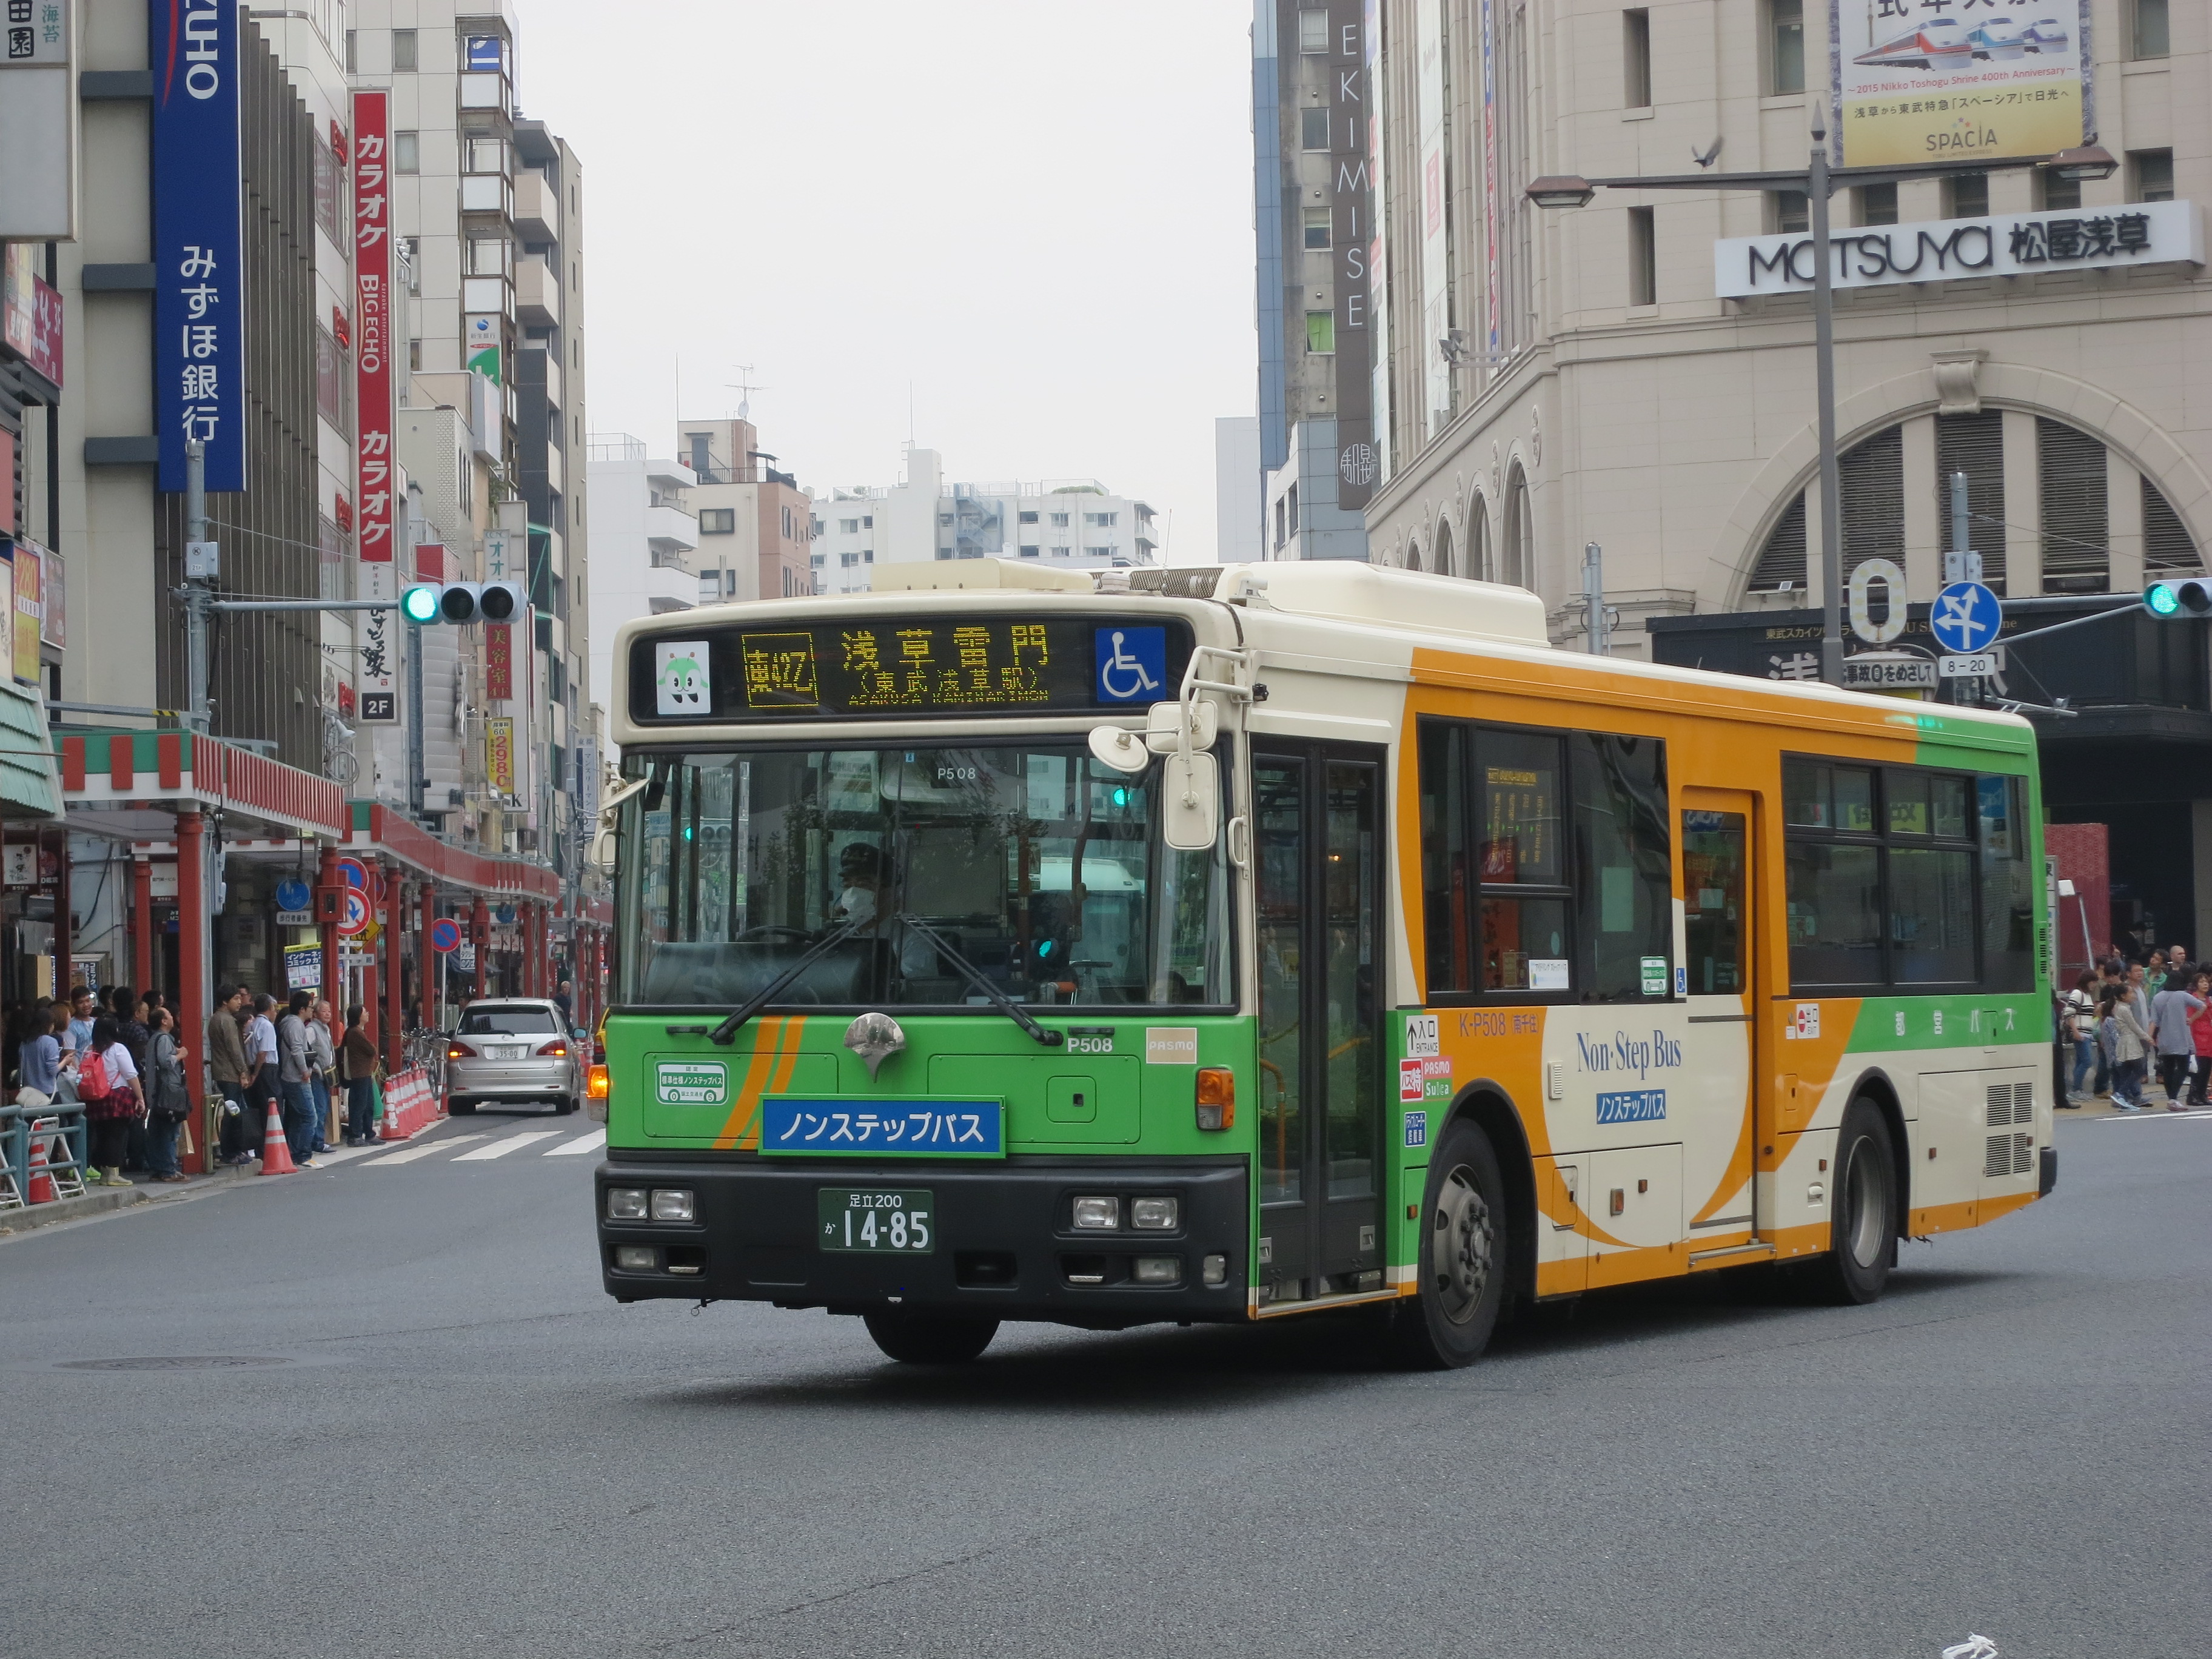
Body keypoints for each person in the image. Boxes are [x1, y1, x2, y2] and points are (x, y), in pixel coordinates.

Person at [76, 1015, 145, 1188]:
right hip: (117, 1095)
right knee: (117, 1135)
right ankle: (113, 1173)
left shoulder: (89, 1049)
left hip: (95, 1097)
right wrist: (140, 1097)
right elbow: (131, 1074)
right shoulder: (117, 1049)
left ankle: (104, 1173)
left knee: (102, 1135)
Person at [206, 985, 255, 1165]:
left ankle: (234, 1150)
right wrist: (243, 1071)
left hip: (224, 1071)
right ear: (225, 1001)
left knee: (232, 1112)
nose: (240, 1002)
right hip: (229, 1073)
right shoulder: (226, 1020)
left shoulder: (217, 1019)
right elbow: (234, 1049)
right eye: (235, 998)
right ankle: (231, 1151)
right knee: (233, 1114)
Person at [144, 1005, 191, 1182]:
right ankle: (168, 1169)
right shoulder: (163, 1039)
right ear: (164, 1021)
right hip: (167, 1091)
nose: (172, 1017)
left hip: (156, 1090)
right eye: (170, 1014)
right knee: (169, 1132)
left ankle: (159, 1167)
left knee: (157, 1131)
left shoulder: (154, 1039)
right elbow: (166, 1062)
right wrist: (181, 1055)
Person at [2150, 967, 2207, 1111]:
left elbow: (2154, 1021)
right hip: (2181, 1037)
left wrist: (2149, 1037)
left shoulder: (2158, 997)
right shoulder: (2183, 995)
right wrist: (2191, 1019)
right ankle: (2174, 1098)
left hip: (2164, 1039)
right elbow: (2202, 1006)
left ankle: (2171, 1099)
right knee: (2182, 1068)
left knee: (2168, 1069)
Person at [276, 990, 318, 1167]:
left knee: (297, 1117)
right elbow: (296, 1050)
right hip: (296, 1077)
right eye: (310, 1007)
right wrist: (304, 1070)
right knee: (310, 1116)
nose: (312, 1011)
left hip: (289, 1075)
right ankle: (303, 1153)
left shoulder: (287, 1023)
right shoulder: (295, 1025)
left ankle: (294, 1152)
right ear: (302, 1009)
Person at [2102, 987, 2150, 1111]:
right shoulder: (2124, 1009)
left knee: (2127, 1071)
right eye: (2131, 993)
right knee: (2139, 1068)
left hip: (2125, 1040)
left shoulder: (2118, 1007)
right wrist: (2146, 1037)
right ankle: (2120, 1094)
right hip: (2129, 1041)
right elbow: (2133, 1025)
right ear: (2123, 996)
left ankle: (2123, 1097)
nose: (2133, 995)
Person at [244, 993, 280, 1158]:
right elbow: (263, 1052)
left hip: (252, 1067)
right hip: (266, 1070)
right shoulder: (267, 1026)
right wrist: (256, 1073)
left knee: (257, 1108)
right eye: (275, 1008)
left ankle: (259, 1149)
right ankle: (269, 1150)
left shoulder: (250, 1025)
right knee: (270, 1109)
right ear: (270, 1008)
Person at [341, 1005, 380, 1145]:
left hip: (365, 1073)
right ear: (358, 1016)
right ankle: (355, 1135)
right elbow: (371, 1050)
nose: (368, 1014)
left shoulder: (357, 1032)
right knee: (359, 1105)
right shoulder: (355, 1033)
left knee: (368, 1105)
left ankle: (369, 1133)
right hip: (359, 1074)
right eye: (365, 1012)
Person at [2060, 970, 2098, 1107]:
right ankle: (2076, 1089)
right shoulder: (2078, 994)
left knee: (2081, 1061)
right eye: (2093, 982)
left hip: (2086, 1033)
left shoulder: (2087, 995)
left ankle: (2076, 1089)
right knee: (2087, 1061)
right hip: (2081, 1033)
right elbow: (2069, 1013)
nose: (2094, 985)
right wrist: (2075, 1031)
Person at [307, 998, 338, 1155]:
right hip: (317, 1076)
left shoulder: (325, 1029)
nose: (327, 1014)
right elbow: (305, 1049)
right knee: (318, 1108)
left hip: (326, 1075)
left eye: (329, 1011)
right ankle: (317, 1142)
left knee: (323, 1107)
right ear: (316, 1014)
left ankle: (319, 1140)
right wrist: (315, 1068)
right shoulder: (312, 1029)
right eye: (324, 1011)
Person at [17, 999, 59, 1108]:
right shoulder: (50, 1042)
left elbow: (21, 1069)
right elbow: (53, 1071)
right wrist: (66, 1061)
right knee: (59, 1122)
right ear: (49, 1024)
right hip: (48, 1092)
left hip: (29, 1094)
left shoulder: (25, 1043)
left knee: (31, 1123)